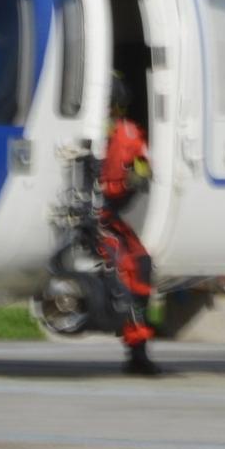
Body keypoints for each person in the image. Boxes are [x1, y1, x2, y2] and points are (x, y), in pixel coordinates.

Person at [99, 78, 159, 375]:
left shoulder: (130, 136)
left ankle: (137, 350)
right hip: (83, 214)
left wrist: (138, 176)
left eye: (109, 107)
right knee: (121, 264)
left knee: (139, 264)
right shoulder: (75, 132)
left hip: (106, 215)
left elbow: (143, 167)